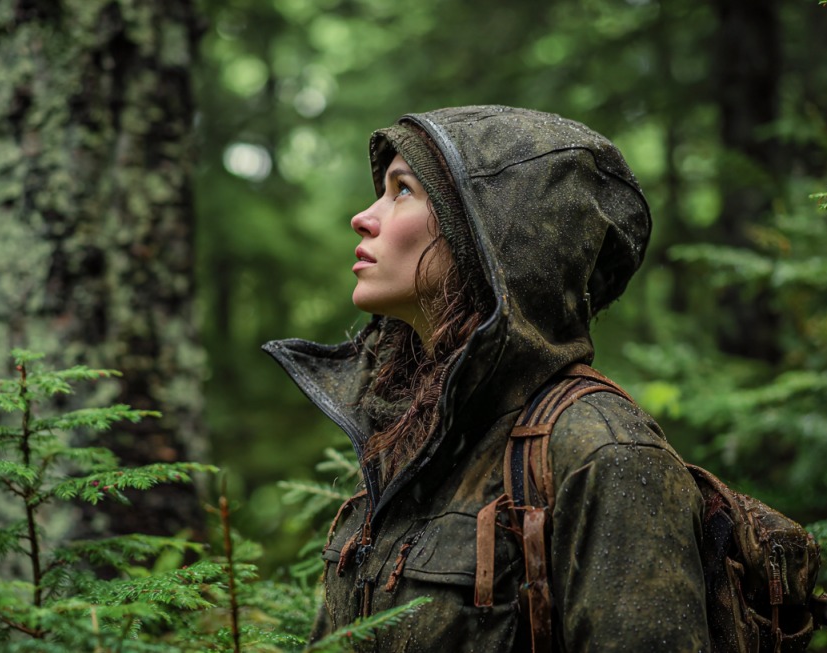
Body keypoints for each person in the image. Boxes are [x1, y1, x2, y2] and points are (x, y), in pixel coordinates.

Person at [263, 106, 710, 652]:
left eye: (402, 190)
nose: (364, 216)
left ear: (489, 232)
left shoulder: (600, 452)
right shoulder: (410, 437)